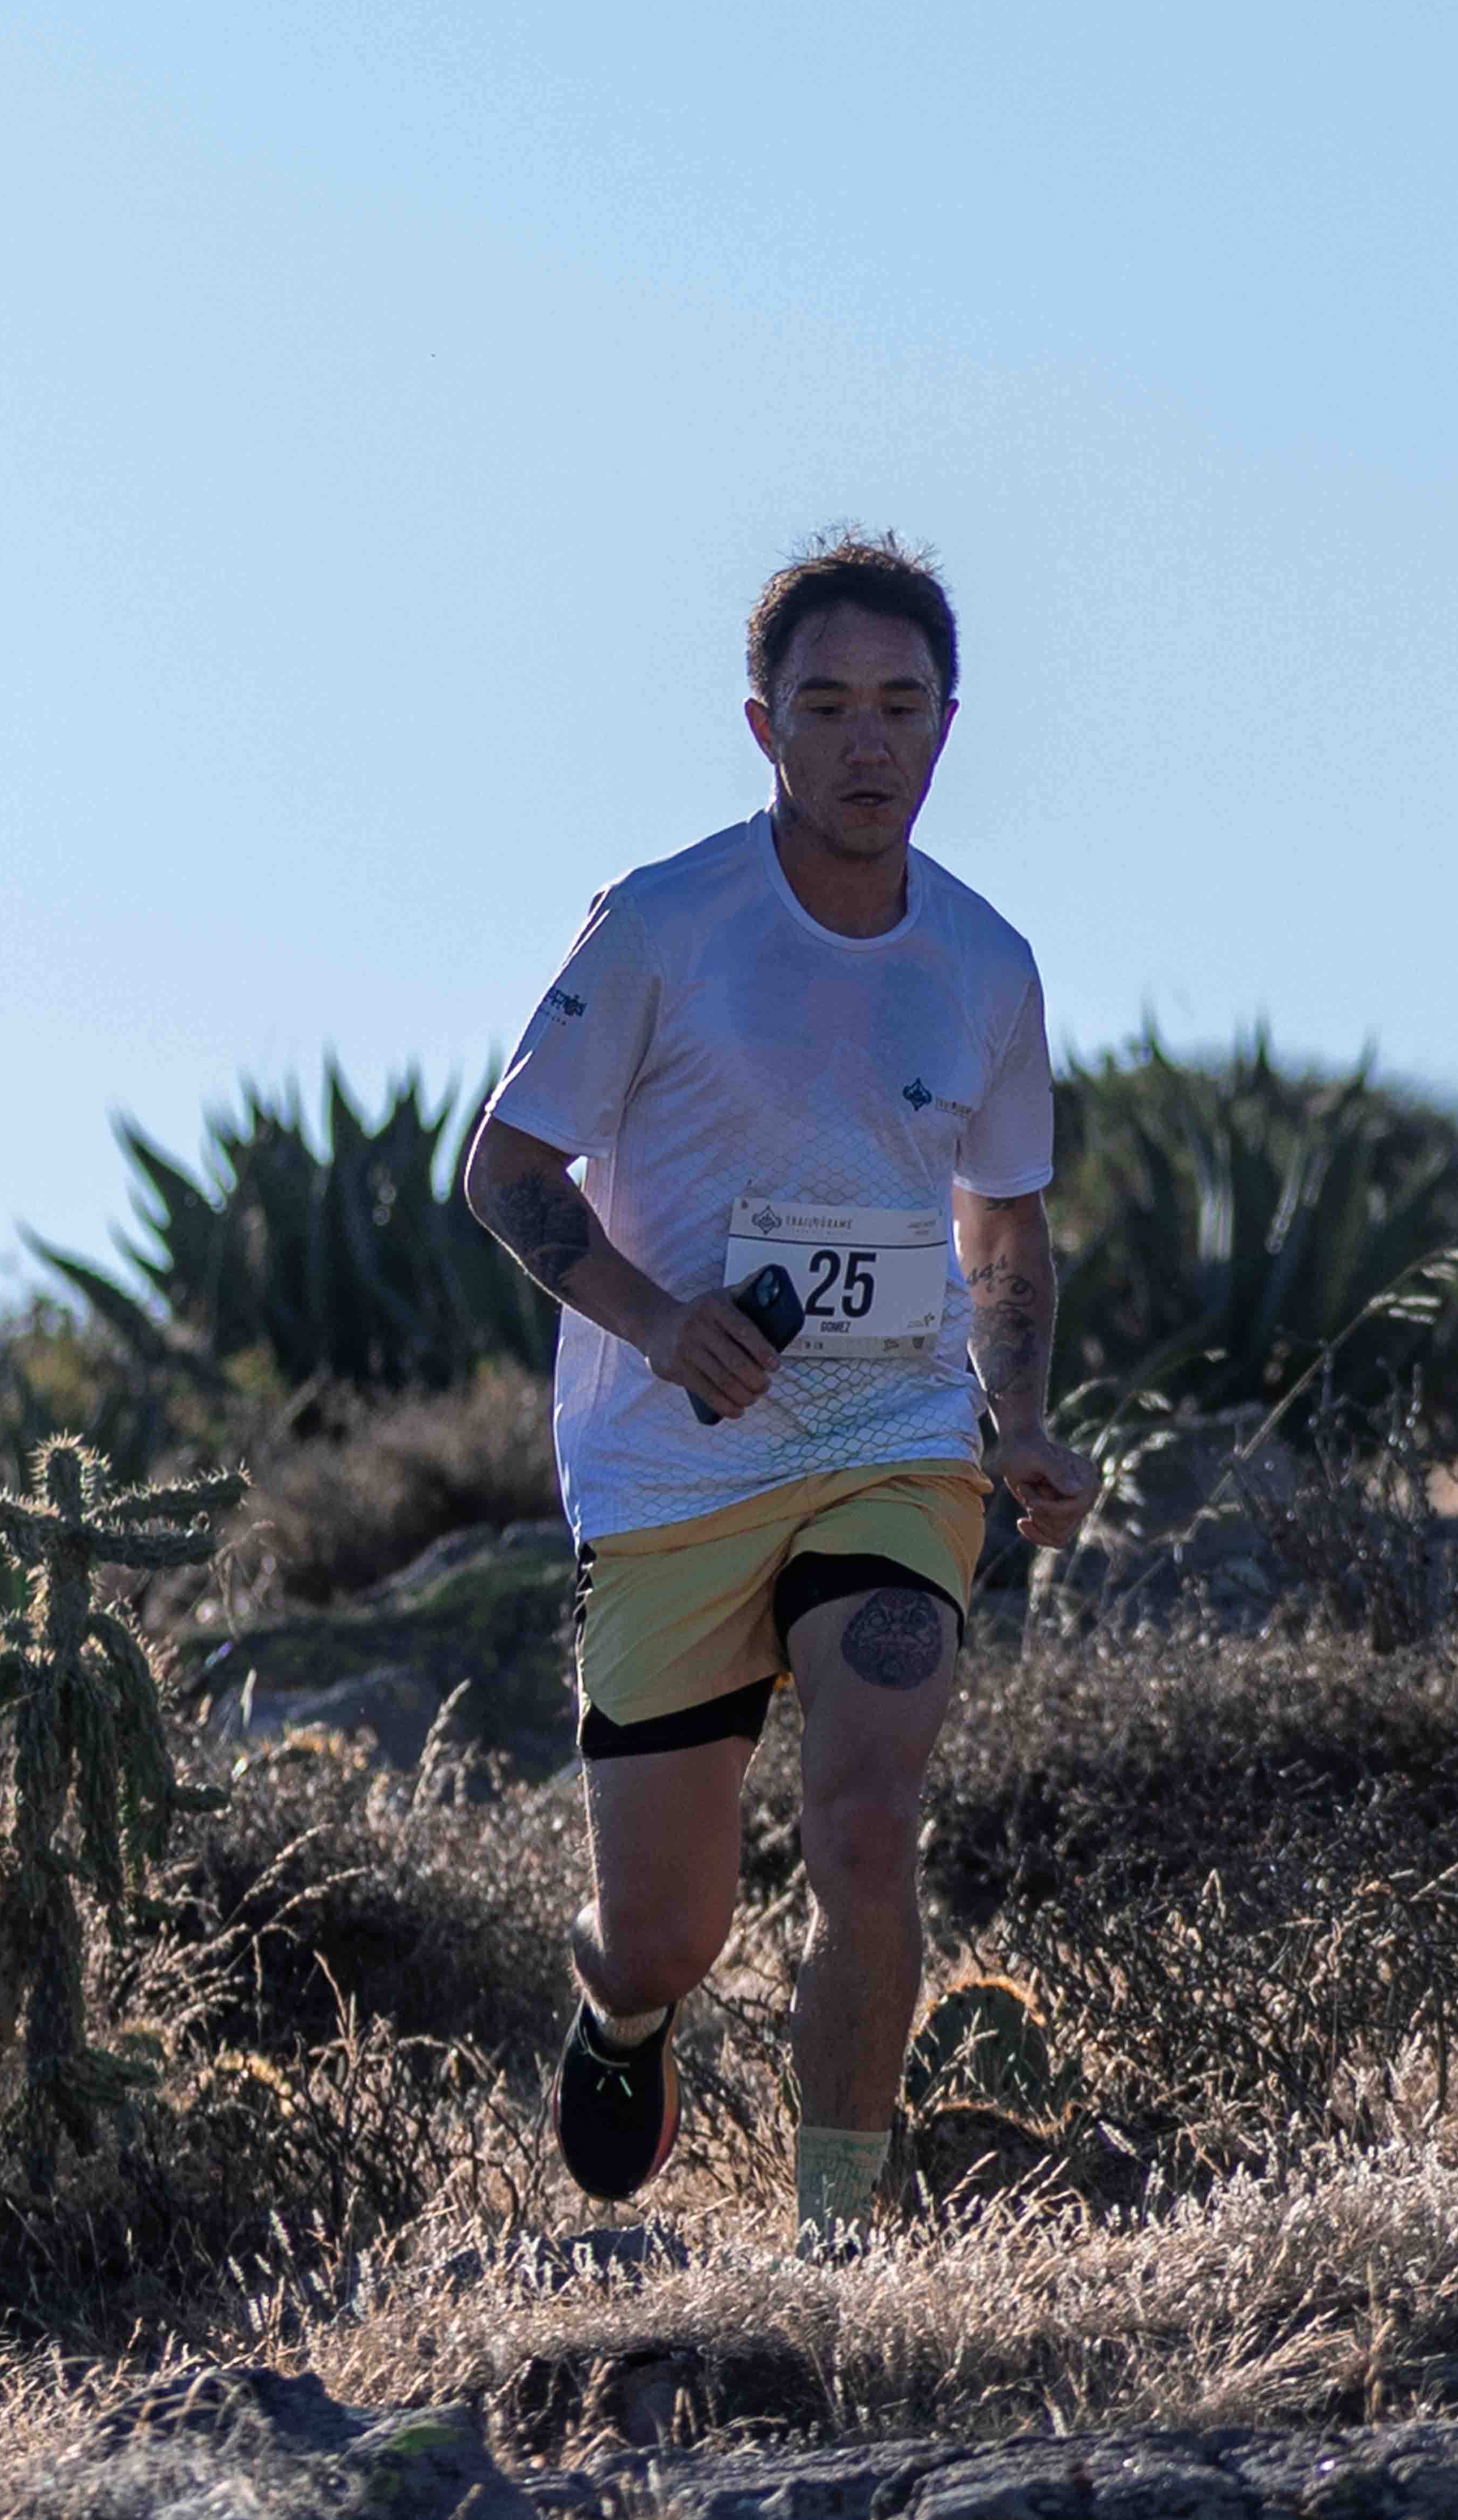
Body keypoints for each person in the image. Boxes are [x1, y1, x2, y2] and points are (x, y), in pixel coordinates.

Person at [464, 530, 1096, 2244]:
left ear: (949, 722)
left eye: (901, 704)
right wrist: (660, 1322)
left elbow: (1004, 1221)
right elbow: (505, 1171)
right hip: (671, 1471)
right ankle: (623, 2014)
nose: (867, 741)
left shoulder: (988, 964)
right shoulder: (665, 923)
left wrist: (1021, 1421)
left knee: (868, 1823)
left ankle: (837, 2232)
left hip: (893, 1446)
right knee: (666, 1933)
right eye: (826, 706)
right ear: (764, 727)